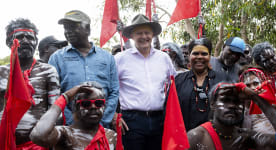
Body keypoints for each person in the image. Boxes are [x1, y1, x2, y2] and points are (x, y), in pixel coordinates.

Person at [115, 14, 176, 150]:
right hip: (131, 121)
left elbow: (176, 83)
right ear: (131, 36)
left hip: (159, 120)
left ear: (153, 34)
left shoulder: (164, 58)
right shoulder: (120, 59)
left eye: (147, 32)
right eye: (139, 33)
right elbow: (109, 88)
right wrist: (114, 115)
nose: (144, 36)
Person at [49, 10, 119, 127]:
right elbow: (55, 95)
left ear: (87, 29)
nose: (68, 32)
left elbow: (114, 92)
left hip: (102, 128)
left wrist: (102, 119)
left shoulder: (107, 58)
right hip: (70, 129)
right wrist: (74, 122)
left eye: (73, 27)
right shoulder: (56, 58)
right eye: (66, 28)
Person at [0, 18, 60, 149]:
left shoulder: (48, 71)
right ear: (8, 42)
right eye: (20, 37)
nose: (26, 41)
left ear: (36, 42)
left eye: (30, 37)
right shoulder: (1, 72)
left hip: (38, 144)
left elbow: (55, 111)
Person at [187, 82, 276, 150]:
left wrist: (256, 98)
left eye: (237, 102)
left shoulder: (246, 137)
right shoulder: (196, 137)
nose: (232, 105)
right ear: (213, 105)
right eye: (225, 100)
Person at [30, 82, 116, 149]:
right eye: (86, 104)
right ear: (76, 107)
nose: (93, 107)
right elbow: (38, 135)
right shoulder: (65, 134)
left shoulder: (111, 135)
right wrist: (65, 97)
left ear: (104, 106)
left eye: (98, 103)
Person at [175, 38, 228, 131]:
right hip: (184, 137)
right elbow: (171, 112)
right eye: (195, 53)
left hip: (213, 137)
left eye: (204, 54)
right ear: (189, 55)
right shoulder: (178, 80)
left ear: (210, 57)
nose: (199, 57)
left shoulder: (222, 80)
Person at [239, 67, 276, 134]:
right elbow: (246, 130)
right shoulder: (244, 105)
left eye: (255, 83)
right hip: (258, 142)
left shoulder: (275, 97)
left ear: (263, 82)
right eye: (248, 85)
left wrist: (265, 99)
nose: (252, 88)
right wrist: (247, 107)